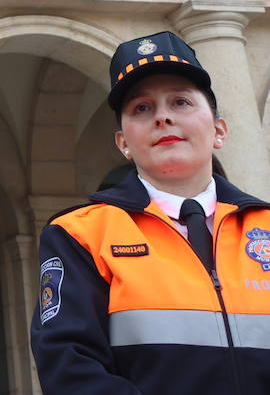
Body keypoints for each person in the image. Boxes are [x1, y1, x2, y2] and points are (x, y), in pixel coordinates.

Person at [31, 31, 270, 393]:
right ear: (123, 142)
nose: (162, 118)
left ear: (219, 129)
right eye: (142, 108)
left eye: (181, 103)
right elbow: (69, 368)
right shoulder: (80, 234)